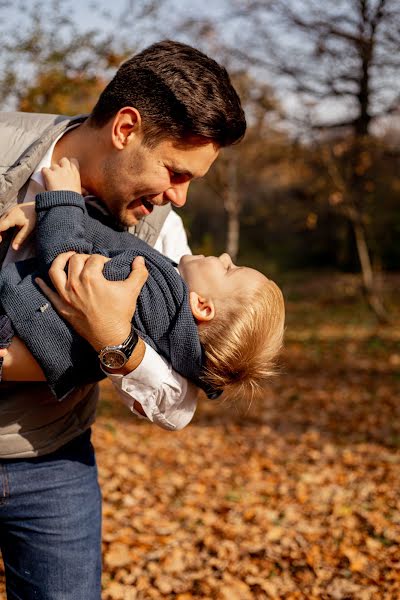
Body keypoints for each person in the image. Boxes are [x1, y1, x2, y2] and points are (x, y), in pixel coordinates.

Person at [0, 40, 246, 599]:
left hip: (52, 468)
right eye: (175, 172)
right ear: (126, 128)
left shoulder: (158, 230)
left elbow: (179, 405)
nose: (178, 199)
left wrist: (111, 337)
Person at [0, 158, 284, 407]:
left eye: (229, 270)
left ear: (202, 306)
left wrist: (62, 199)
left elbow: (69, 269)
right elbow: (112, 241)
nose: (223, 256)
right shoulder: (169, 315)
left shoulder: (154, 295)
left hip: (9, 317)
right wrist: (47, 211)